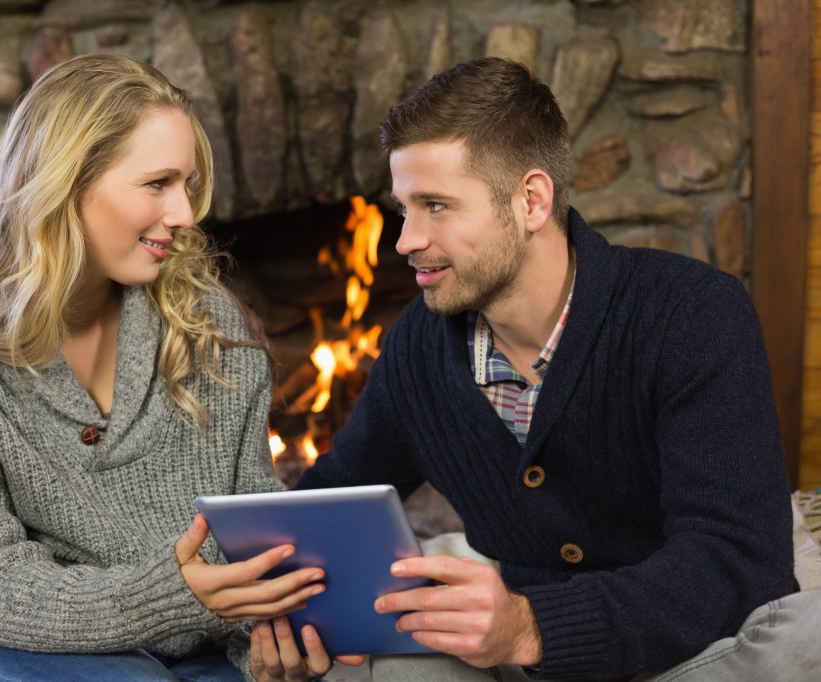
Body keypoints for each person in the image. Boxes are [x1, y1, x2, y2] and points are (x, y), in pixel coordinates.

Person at [252, 57, 820, 680]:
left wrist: (531, 626)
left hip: (691, 643)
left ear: (531, 200)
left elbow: (737, 559)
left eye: (436, 206)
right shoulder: (420, 343)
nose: (405, 240)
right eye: (403, 208)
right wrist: (270, 597)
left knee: (808, 638)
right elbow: (335, 495)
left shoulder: (691, 313)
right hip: (517, 654)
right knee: (381, 666)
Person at [0, 53, 329, 682]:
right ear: (66, 185)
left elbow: (251, 524)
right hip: (18, 650)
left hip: (196, 651)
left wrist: (268, 642)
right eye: (157, 184)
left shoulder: (210, 322)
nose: (185, 215)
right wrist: (169, 593)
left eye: (188, 184)